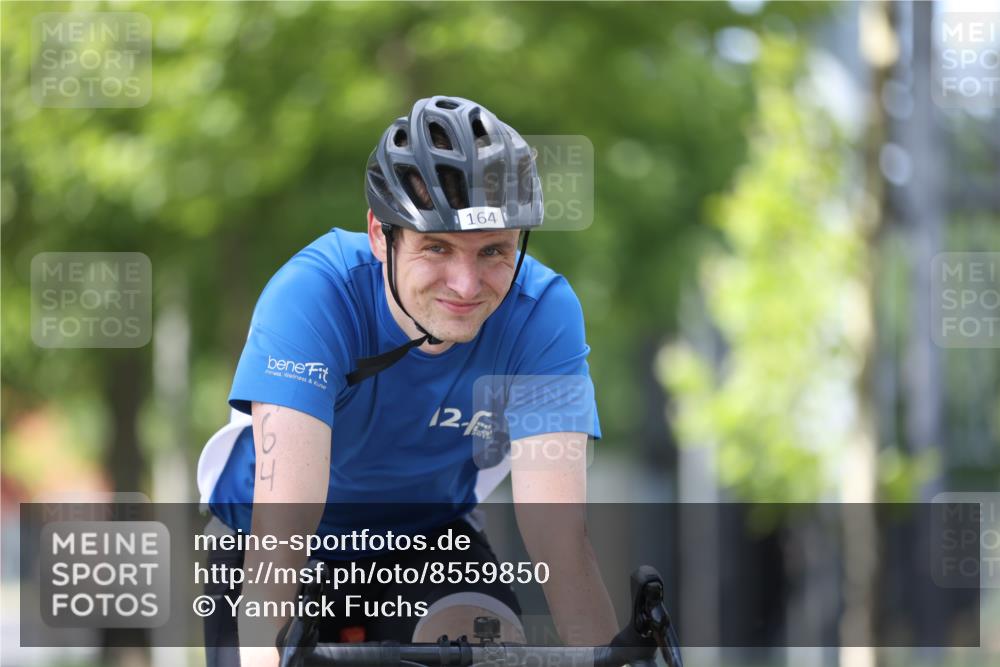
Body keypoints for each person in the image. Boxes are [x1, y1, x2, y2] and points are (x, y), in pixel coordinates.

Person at [196, 95, 618, 667]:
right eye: (436, 247)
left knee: (487, 649)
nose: (466, 285)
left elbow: (560, 539)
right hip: (267, 537)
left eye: (494, 250)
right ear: (380, 234)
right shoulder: (313, 295)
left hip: (429, 539)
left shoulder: (543, 312)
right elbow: (283, 531)